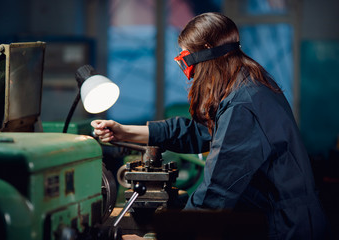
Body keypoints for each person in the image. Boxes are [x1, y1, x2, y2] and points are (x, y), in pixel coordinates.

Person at [92, 12, 330, 240]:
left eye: (185, 61)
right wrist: (124, 131)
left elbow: (214, 194)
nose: (190, 75)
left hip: (285, 227)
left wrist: (164, 235)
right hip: (282, 218)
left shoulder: (242, 106)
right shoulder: (246, 84)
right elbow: (197, 132)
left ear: (206, 54)